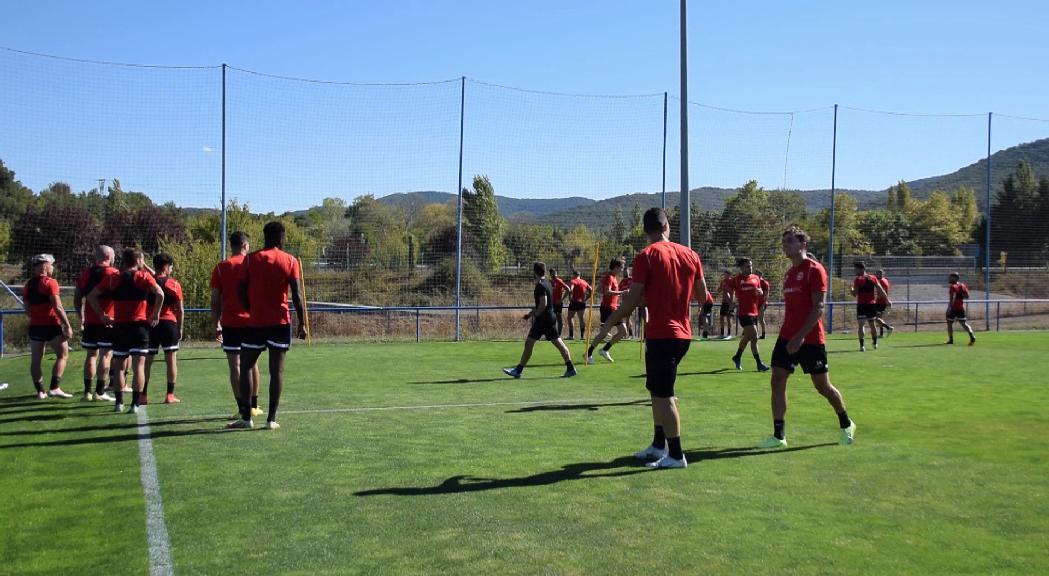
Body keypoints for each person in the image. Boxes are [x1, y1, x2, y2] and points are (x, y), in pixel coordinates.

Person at [593, 207, 707, 469]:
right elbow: (703, 295)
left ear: (645, 231)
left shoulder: (646, 256)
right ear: (667, 226)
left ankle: (676, 455)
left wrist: (607, 325)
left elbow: (631, 300)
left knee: (664, 395)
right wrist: (700, 312)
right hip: (682, 335)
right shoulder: (691, 255)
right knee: (656, 392)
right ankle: (658, 445)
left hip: (661, 334)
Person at [758, 226, 856, 449]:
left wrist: (800, 337)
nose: (786, 245)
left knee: (823, 387)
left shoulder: (815, 270)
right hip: (786, 336)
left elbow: (818, 307)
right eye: (784, 242)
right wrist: (791, 336)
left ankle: (846, 422)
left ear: (803, 244)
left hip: (810, 339)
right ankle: (779, 436)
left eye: (790, 241)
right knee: (777, 380)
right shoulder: (789, 273)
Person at [228, 221, 308, 430]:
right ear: (281, 237)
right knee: (277, 371)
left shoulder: (250, 260)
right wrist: (302, 324)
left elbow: (240, 291)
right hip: (280, 322)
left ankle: (246, 418)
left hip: (256, 322)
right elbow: (297, 296)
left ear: (265, 236)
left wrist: (251, 309)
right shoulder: (290, 260)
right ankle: (271, 419)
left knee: (245, 365)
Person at [87, 248, 164, 413]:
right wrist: (155, 314)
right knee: (139, 367)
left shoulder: (113, 278)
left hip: (120, 327)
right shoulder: (143, 277)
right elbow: (160, 293)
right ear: (138, 261)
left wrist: (102, 315)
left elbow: (91, 296)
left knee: (119, 367)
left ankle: (119, 403)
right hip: (139, 327)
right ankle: (135, 405)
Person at [211, 231, 262, 418]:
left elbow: (215, 298)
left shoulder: (221, 267)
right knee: (253, 363)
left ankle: (242, 408)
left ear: (231, 246)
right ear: (246, 246)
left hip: (230, 322)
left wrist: (216, 322)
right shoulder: (253, 265)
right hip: (252, 321)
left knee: (235, 365)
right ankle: (254, 405)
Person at [502, 262, 576, 379]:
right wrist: (531, 313)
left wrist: (535, 314)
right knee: (558, 342)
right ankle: (571, 368)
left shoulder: (540, 286)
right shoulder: (548, 283)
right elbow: (544, 304)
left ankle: (518, 370)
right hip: (550, 318)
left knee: (529, 342)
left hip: (543, 319)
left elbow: (543, 303)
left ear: (535, 272)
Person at [23, 254, 74, 399]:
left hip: (35, 327)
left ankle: (40, 392)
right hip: (51, 325)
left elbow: (27, 308)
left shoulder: (28, 284)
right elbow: (57, 306)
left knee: (36, 360)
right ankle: (55, 387)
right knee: (63, 355)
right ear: (45, 266)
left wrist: (35, 318)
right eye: (51, 264)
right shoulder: (50, 282)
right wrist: (67, 325)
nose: (52, 267)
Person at [74, 245, 118, 402]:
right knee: (106, 354)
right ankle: (100, 391)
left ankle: (87, 392)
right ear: (109, 257)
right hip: (108, 320)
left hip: (90, 321)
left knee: (91, 355)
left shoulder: (85, 273)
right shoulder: (113, 273)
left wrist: (81, 317)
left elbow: (77, 297)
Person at [143, 253, 184, 405]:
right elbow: (180, 310)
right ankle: (170, 395)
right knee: (171, 359)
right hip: (169, 324)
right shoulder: (174, 284)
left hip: (150, 323)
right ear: (166, 267)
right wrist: (180, 328)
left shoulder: (147, 283)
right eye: (171, 266)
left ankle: (143, 395)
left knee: (146, 361)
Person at [729, 258, 769, 372]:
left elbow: (760, 291)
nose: (750, 268)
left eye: (750, 265)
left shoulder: (756, 278)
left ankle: (737, 356)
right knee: (755, 337)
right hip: (744, 313)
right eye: (747, 266)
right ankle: (759, 364)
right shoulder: (736, 280)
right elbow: (728, 289)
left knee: (748, 337)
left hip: (754, 312)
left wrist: (760, 293)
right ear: (741, 268)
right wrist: (732, 302)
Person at [586, 258, 627, 364]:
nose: (622, 270)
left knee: (623, 332)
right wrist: (621, 292)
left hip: (613, 308)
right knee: (603, 334)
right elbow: (607, 292)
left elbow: (601, 289)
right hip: (607, 309)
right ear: (616, 267)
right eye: (621, 268)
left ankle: (604, 350)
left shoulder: (612, 277)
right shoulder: (609, 277)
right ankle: (588, 354)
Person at [849, 261, 889, 351]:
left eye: (856, 268)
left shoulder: (858, 279)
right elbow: (881, 290)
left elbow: (854, 294)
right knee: (872, 325)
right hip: (871, 304)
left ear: (861, 269)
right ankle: (875, 343)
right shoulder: (873, 278)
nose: (854, 270)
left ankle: (862, 346)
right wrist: (887, 300)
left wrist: (851, 289)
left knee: (861, 325)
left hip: (861, 305)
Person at [946, 272, 976, 345]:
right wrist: (959, 297)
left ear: (955, 278)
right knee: (964, 324)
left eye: (951, 277)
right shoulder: (962, 285)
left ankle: (951, 340)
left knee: (949, 324)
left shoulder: (953, 286)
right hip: (960, 308)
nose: (949, 278)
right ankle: (972, 336)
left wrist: (949, 308)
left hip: (953, 308)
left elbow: (952, 298)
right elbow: (967, 296)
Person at [565, 270, 591, 341]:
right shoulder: (584, 282)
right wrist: (587, 298)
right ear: (579, 275)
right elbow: (591, 289)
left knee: (570, 317)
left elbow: (571, 289)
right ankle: (582, 336)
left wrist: (570, 296)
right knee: (581, 319)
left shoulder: (573, 281)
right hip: (582, 302)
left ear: (574, 275)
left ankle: (571, 335)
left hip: (574, 302)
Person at [873, 269, 895, 337]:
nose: (876, 275)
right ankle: (881, 334)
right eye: (876, 274)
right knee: (880, 318)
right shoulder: (885, 280)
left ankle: (888, 328)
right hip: (883, 302)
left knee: (876, 318)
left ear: (881, 274)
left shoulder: (881, 281)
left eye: (877, 274)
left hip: (880, 303)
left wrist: (876, 298)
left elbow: (883, 292)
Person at [549, 268, 570, 337]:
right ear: (550, 274)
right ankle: (552, 334)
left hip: (558, 304)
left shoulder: (559, 281)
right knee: (551, 318)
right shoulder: (550, 281)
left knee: (559, 318)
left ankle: (558, 335)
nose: (555, 274)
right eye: (553, 273)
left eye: (556, 273)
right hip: (551, 303)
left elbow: (568, 289)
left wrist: (562, 299)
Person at [717, 269, 735, 339]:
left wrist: (731, 303)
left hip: (730, 302)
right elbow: (719, 290)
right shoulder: (723, 282)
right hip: (724, 302)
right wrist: (720, 288)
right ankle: (722, 334)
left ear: (729, 275)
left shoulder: (732, 281)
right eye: (724, 274)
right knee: (721, 317)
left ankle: (729, 334)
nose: (724, 275)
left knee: (728, 318)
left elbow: (733, 292)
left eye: (725, 274)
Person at [757, 271, 771, 339]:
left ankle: (763, 334)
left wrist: (763, 304)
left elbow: (766, 295)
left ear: (760, 275)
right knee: (754, 319)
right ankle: (755, 334)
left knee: (761, 319)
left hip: (762, 304)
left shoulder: (764, 283)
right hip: (755, 303)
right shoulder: (755, 282)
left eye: (757, 274)